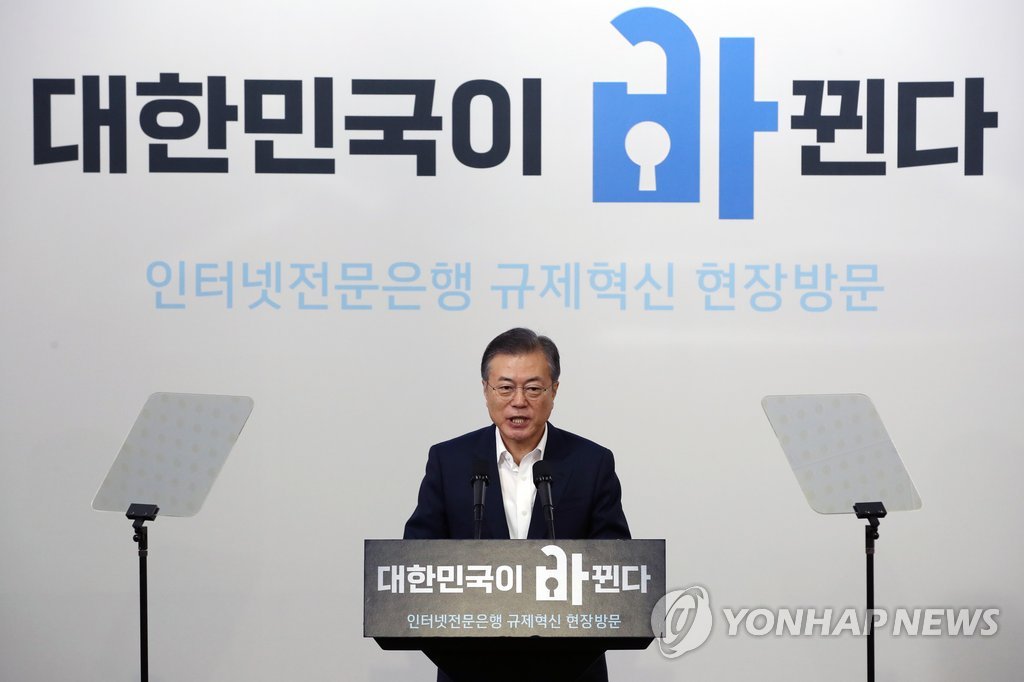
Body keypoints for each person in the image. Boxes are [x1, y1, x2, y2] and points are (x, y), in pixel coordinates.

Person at [404, 327, 631, 682]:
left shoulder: (591, 462)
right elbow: (417, 558)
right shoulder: (449, 461)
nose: (519, 401)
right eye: (506, 387)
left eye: (533, 388)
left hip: (571, 668)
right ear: (486, 391)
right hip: (469, 667)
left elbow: (616, 563)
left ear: (554, 391)